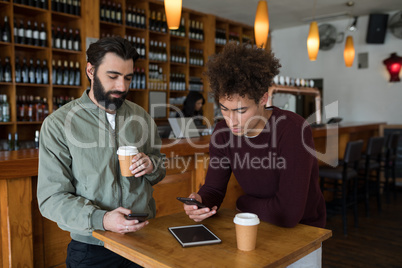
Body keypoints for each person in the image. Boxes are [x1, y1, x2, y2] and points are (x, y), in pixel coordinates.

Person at [183, 42, 326, 267]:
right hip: (254, 226)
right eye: (224, 109)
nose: (232, 121)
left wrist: (242, 202)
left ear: (263, 98)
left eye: (241, 110)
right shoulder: (222, 133)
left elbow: (287, 215)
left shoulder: (292, 130)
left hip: (303, 233)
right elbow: (213, 190)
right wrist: (200, 202)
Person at [37, 37, 166, 267]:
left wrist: (152, 165)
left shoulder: (142, 117)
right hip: (92, 247)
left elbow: (159, 167)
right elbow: (51, 198)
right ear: (90, 70)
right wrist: (103, 219)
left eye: (128, 78)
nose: (122, 87)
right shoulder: (59, 124)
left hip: (143, 239)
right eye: (113, 76)